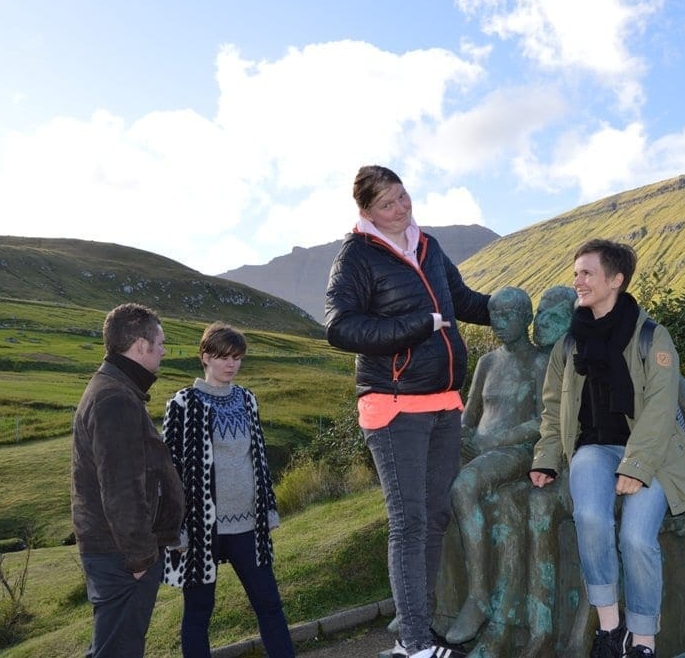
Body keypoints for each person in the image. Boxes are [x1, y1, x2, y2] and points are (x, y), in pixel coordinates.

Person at [325, 164, 491, 658]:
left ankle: (423, 627)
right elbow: (339, 327)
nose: (400, 209)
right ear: (366, 212)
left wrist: (511, 309)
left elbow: (462, 301)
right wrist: (417, 326)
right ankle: (414, 641)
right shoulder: (356, 256)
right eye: (387, 204)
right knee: (409, 522)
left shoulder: (428, 246)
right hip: (394, 407)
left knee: (435, 516)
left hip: (444, 404)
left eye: (402, 196)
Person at [529, 239, 685, 658]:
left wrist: (635, 467)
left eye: (587, 273)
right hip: (594, 450)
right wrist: (547, 458)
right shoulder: (569, 345)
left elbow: (660, 410)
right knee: (590, 517)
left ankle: (642, 641)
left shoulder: (651, 337)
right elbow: (553, 409)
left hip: (652, 454)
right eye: (576, 273)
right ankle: (610, 629)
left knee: (637, 539)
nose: (578, 281)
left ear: (615, 280)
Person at [162, 322, 296, 658]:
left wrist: (268, 508)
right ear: (205, 357)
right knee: (199, 612)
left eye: (237, 357)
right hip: (201, 528)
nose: (232, 364)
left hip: (248, 525)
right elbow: (170, 470)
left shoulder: (248, 399)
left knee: (269, 603)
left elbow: (259, 457)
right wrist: (176, 528)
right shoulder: (182, 404)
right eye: (224, 357)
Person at [71, 303, 185, 658]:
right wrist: (140, 558)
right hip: (121, 556)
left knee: (113, 647)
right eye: (160, 344)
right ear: (140, 346)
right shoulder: (114, 399)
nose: (163, 351)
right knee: (118, 651)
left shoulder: (116, 389)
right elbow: (121, 488)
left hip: (116, 553)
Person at [444, 286, 546, 648]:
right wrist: (462, 435)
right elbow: (470, 413)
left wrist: (495, 441)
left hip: (516, 451)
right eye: (494, 316)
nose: (499, 323)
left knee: (463, 486)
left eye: (508, 315)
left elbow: (543, 421)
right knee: (431, 483)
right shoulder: (487, 362)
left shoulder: (539, 363)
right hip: (478, 448)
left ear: (527, 318)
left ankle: (479, 597)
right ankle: (431, 601)